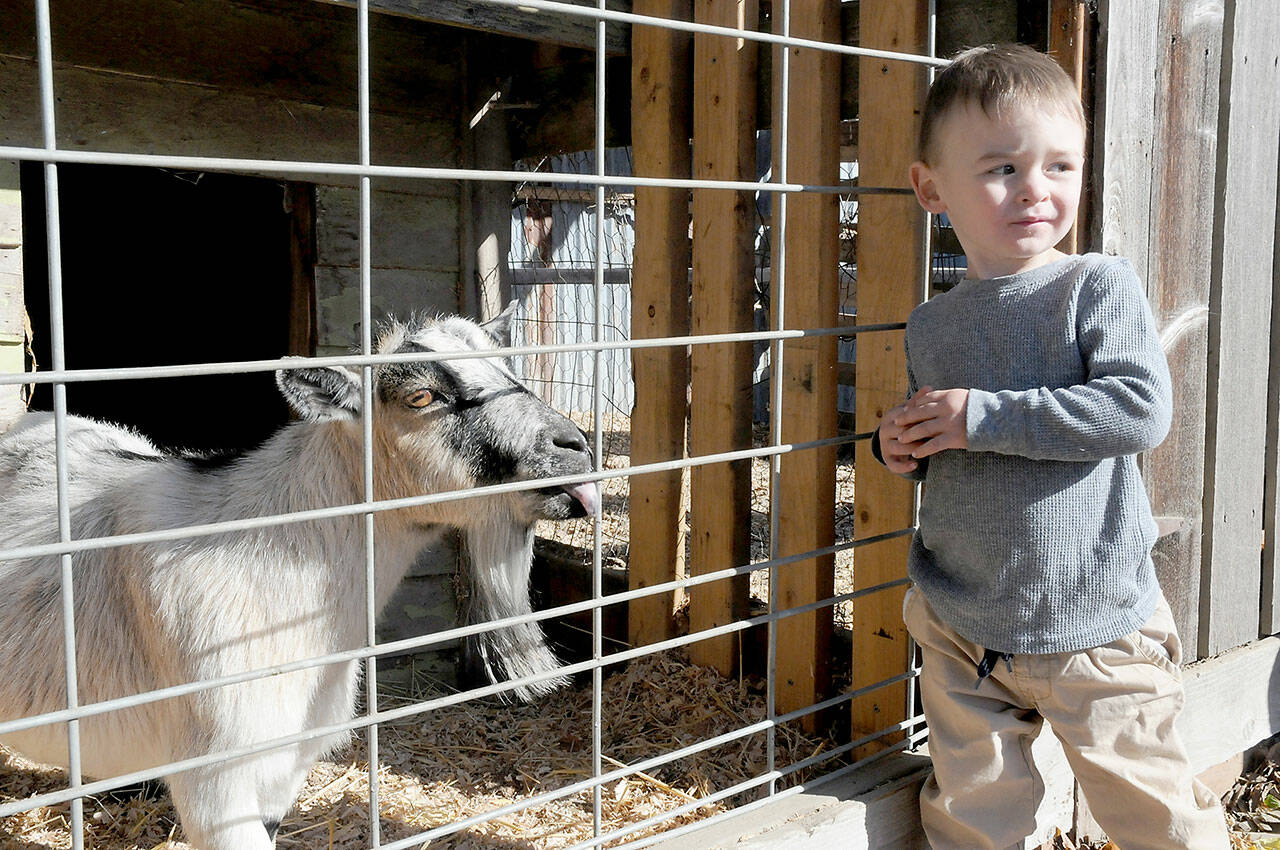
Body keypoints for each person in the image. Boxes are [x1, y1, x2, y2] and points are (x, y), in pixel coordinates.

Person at [872, 43, 1231, 849]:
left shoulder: (1094, 286)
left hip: (1093, 622)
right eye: (1001, 167)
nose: (1036, 188)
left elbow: (1136, 410)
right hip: (964, 623)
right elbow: (949, 435)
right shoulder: (934, 323)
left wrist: (980, 418)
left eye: (1060, 166)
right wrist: (899, 442)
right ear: (931, 188)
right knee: (972, 815)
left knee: (1156, 813)